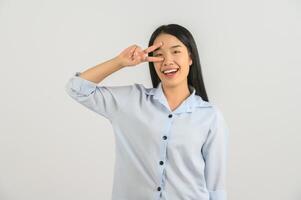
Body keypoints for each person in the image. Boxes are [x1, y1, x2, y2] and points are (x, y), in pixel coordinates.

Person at [65, 24, 229, 200]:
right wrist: (120, 62)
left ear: (190, 57)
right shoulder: (131, 102)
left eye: (175, 51)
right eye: (159, 55)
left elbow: (215, 187)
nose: (167, 61)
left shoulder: (209, 116)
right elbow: (77, 88)